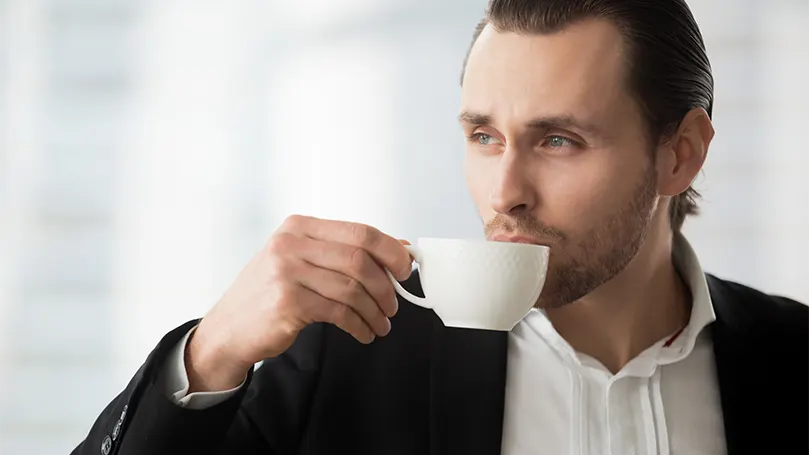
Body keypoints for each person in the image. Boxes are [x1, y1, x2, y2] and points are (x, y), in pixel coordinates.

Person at [72, 1, 809, 454]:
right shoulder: (348, 350)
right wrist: (211, 353)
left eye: (557, 140)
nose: (504, 193)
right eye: (484, 136)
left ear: (678, 153)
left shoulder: (792, 362)